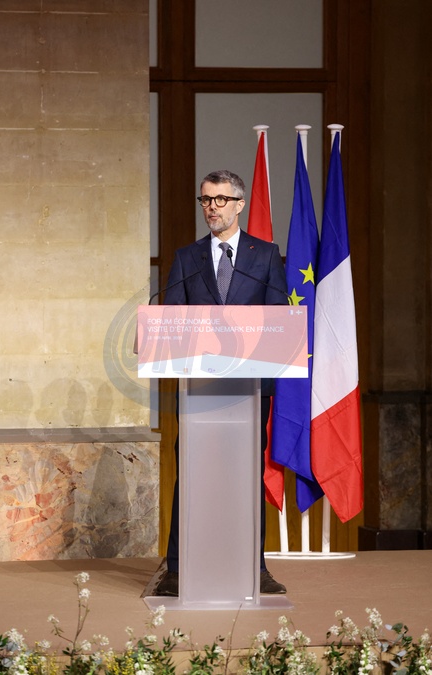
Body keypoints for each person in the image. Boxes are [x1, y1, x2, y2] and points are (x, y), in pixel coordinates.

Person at [155, 169, 288, 597]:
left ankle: (255, 566)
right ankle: (177, 568)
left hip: (249, 391)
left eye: (220, 199)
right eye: (205, 200)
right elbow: (173, 320)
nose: (211, 207)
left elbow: (278, 321)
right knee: (191, 474)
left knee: (247, 475)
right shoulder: (186, 258)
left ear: (239, 204)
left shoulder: (265, 256)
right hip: (199, 390)